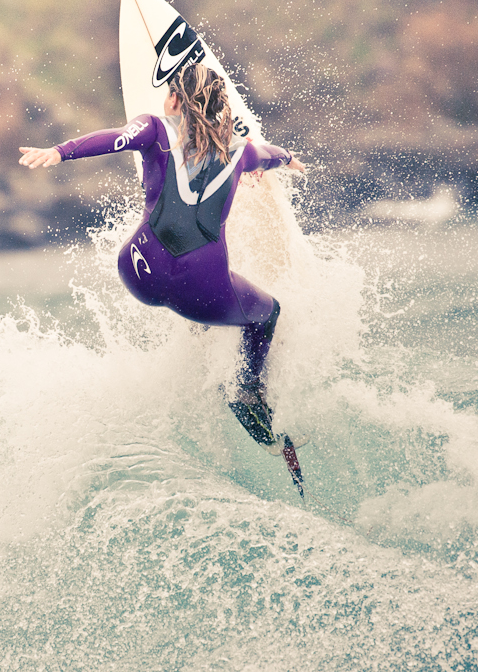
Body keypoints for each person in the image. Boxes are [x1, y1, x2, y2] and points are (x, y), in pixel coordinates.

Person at [19, 62, 308, 493]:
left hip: (139, 272)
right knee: (267, 314)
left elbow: (114, 138)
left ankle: (201, 331)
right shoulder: (244, 152)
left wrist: (60, 151)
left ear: (174, 99)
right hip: (204, 294)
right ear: (221, 107)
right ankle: (245, 389)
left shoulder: (153, 129)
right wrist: (289, 161)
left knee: (162, 238)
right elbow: (272, 154)